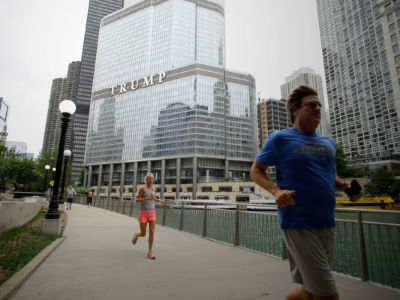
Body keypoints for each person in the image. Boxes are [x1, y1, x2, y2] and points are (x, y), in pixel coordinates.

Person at [250, 85, 362, 300]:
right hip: (298, 222)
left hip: (327, 222)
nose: (317, 109)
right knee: (327, 293)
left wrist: (347, 187)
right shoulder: (280, 139)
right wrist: (275, 191)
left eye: (319, 105)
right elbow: (256, 170)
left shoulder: (328, 143)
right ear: (296, 109)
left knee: (310, 291)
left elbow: (333, 179)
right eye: (311, 105)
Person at [132, 173, 165, 259]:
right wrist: (145, 198)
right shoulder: (142, 189)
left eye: (152, 178)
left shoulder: (154, 189)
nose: (151, 180)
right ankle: (137, 235)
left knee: (152, 232)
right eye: (149, 178)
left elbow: (152, 198)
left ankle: (149, 252)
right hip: (143, 213)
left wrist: (159, 200)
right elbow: (137, 200)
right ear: (146, 180)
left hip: (152, 213)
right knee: (143, 233)